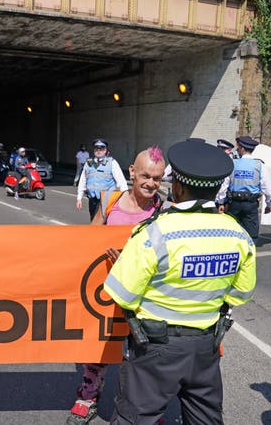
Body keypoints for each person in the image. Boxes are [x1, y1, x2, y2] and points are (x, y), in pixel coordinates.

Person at [104, 140, 256, 425]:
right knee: (205, 418)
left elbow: (122, 294)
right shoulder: (238, 235)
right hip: (206, 348)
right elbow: (241, 294)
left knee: (135, 418)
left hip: (155, 348)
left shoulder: (154, 233)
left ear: (177, 187)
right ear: (216, 187)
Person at [66, 146, 165, 425]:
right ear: (131, 172)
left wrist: (131, 260)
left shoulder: (163, 210)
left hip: (143, 295)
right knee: (98, 349)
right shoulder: (110, 200)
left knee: (143, 355)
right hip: (106, 290)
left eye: (157, 178)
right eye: (145, 175)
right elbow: (91, 240)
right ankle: (87, 397)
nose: (150, 183)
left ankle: (145, 410)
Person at [217, 136, 271, 239]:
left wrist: (221, 202)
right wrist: (269, 205)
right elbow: (268, 190)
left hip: (234, 204)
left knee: (231, 232)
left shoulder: (233, 164)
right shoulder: (260, 165)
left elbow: (224, 186)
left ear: (242, 149)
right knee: (251, 234)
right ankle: (248, 252)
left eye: (238, 147)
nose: (237, 149)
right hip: (251, 205)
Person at [76, 139, 128, 221]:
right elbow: (83, 180)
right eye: (97, 148)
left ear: (106, 150)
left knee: (104, 223)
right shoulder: (88, 163)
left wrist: (126, 199)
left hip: (107, 200)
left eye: (102, 148)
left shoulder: (112, 163)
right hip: (92, 200)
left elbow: (121, 181)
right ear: (94, 150)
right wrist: (79, 198)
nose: (99, 150)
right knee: (93, 221)